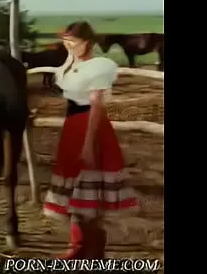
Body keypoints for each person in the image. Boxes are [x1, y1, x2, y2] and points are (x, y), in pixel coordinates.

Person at [42, 21, 139, 259]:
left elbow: (97, 106)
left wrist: (89, 144)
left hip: (89, 126)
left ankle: (95, 252)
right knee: (73, 189)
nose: (69, 46)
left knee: (90, 192)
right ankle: (77, 245)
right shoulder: (71, 65)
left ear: (89, 42)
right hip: (72, 127)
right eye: (66, 42)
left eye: (73, 42)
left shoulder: (99, 67)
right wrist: (70, 57)